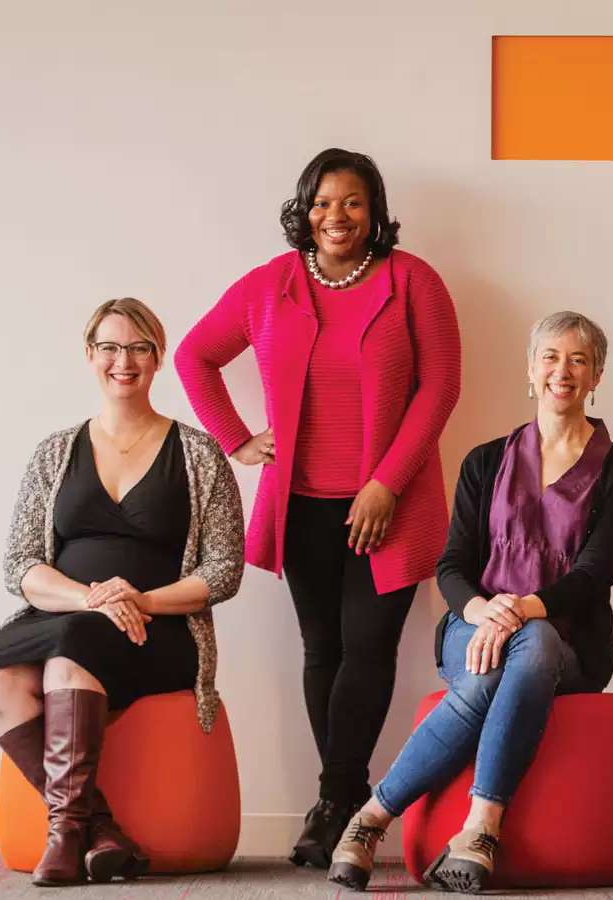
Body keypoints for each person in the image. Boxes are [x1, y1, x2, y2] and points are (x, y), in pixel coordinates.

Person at [174, 147, 462, 866]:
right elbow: (194, 356)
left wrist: (386, 482)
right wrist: (237, 439)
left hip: (388, 507)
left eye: (353, 202)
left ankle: (334, 805)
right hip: (301, 505)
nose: (337, 216)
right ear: (304, 210)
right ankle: (345, 798)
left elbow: (440, 388)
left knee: (368, 648)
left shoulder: (413, 282)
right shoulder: (269, 286)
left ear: (375, 213)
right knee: (322, 650)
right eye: (324, 202)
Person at [326, 311, 613, 894]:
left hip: (569, 642)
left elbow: (595, 575)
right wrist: (483, 612)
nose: (562, 371)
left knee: (527, 650)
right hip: (473, 628)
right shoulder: (484, 462)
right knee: (487, 675)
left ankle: (404, 821)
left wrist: (522, 610)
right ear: (531, 369)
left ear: (597, 374)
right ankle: (455, 833)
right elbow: (451, 566)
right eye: (550, 356)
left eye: (579, 359)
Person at [0, 298, 244, 886]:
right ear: (90, 355)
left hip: (162, 631)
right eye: (111, 347)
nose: (125, 360)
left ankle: (68, 836)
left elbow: (224, 570)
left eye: (140, 347)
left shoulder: (199, 454)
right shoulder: (55, 452)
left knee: (70, 654)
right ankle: (93, 830)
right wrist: (91, 598)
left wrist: (140, 600)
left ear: (159, 357)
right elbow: (20, 564)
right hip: (70, 613)